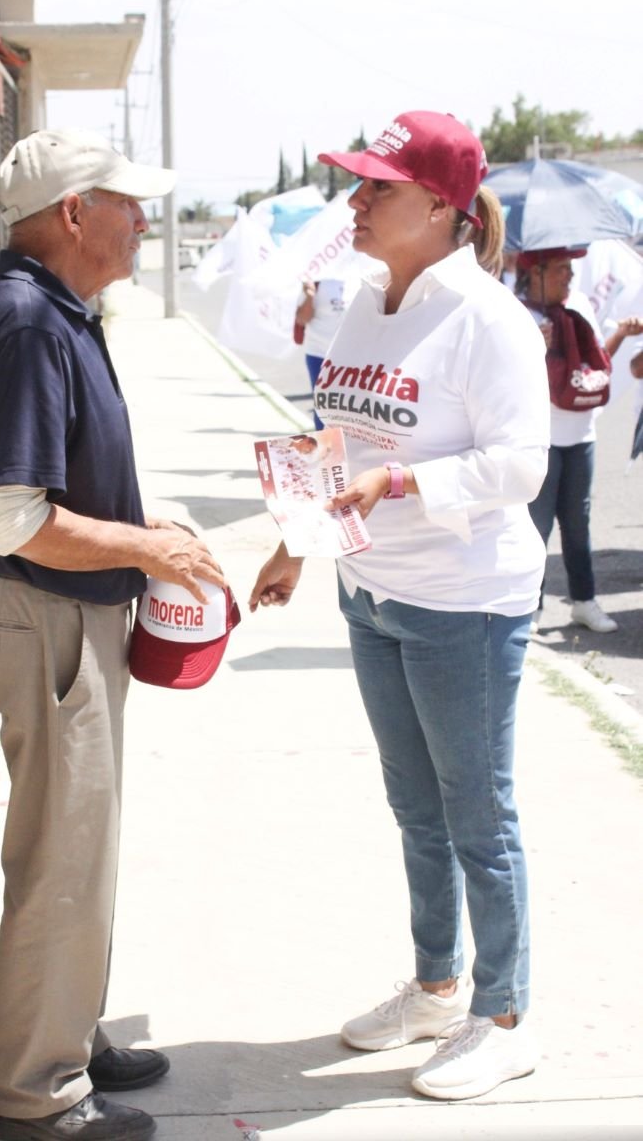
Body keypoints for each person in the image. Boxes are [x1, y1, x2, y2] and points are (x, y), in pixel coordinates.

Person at [249, 111, 550, 1101]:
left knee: (478, 814)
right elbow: (337, 433)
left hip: (465, 601)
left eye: (375, 187)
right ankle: (434, 986)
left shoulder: (491, 320)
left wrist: (403, 488)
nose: (355, 202)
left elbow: (517, 464)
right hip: (373, 589)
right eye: (358, 183)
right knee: (415, 806)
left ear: (438, 205)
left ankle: (503, 1015)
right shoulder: (367, 303)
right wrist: (296, 547)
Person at [0, 128, 225, 1141]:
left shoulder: (53, 310)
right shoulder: (28, 322)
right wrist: (149, 552)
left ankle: (68, 1027)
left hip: (63, 616)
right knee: (61, 856)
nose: (143, 221)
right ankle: (37, 1094)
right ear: (73, 214)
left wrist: (143, 536)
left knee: (82, 845)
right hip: (47, 615)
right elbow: (15, 516)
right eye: (127, 203)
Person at [515, 248, 643, 633]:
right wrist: (531, 345)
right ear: (533, 273)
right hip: (543, 438)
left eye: (571, 270)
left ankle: (584, 602)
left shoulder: (581, 304)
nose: (569, 278)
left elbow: (598, 361)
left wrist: (620, 332)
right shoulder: (517, 314)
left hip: (582, 434)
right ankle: (530, 607)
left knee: (577, 524)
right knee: (535, 527)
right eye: (560, 271)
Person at [293, 278, 347, 427]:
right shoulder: (317, 279)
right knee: (323, 410)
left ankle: (344, 448)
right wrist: (310, 296)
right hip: (319, 354)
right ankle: (326, 449)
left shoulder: (362, 275)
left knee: (349, 411)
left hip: (351, 356)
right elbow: (302, 319)